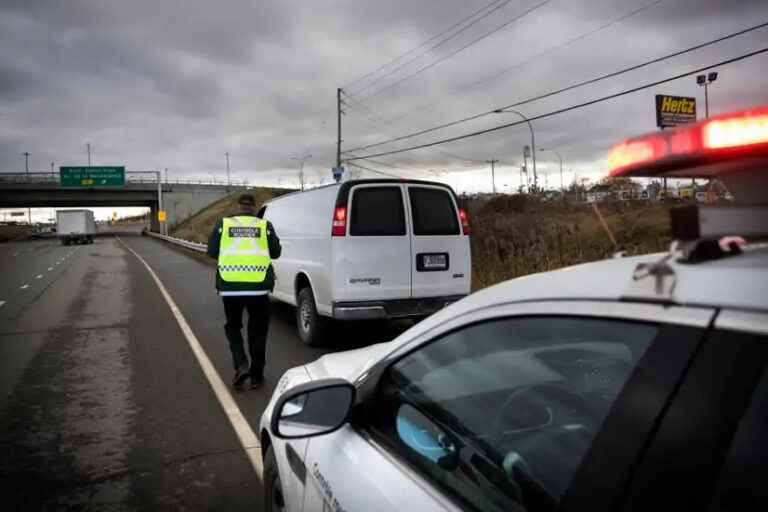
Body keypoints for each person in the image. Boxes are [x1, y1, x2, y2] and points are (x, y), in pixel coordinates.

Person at [207, 194, 281, 390]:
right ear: (253, 207)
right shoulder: (264, 226)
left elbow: (212, 251)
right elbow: (276, 252)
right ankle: (257, 376)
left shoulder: (224, 224)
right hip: (258, 289)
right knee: (257, 331)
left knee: (233, 327)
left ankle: (241, 365)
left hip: (231, 287)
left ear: (239, 206)